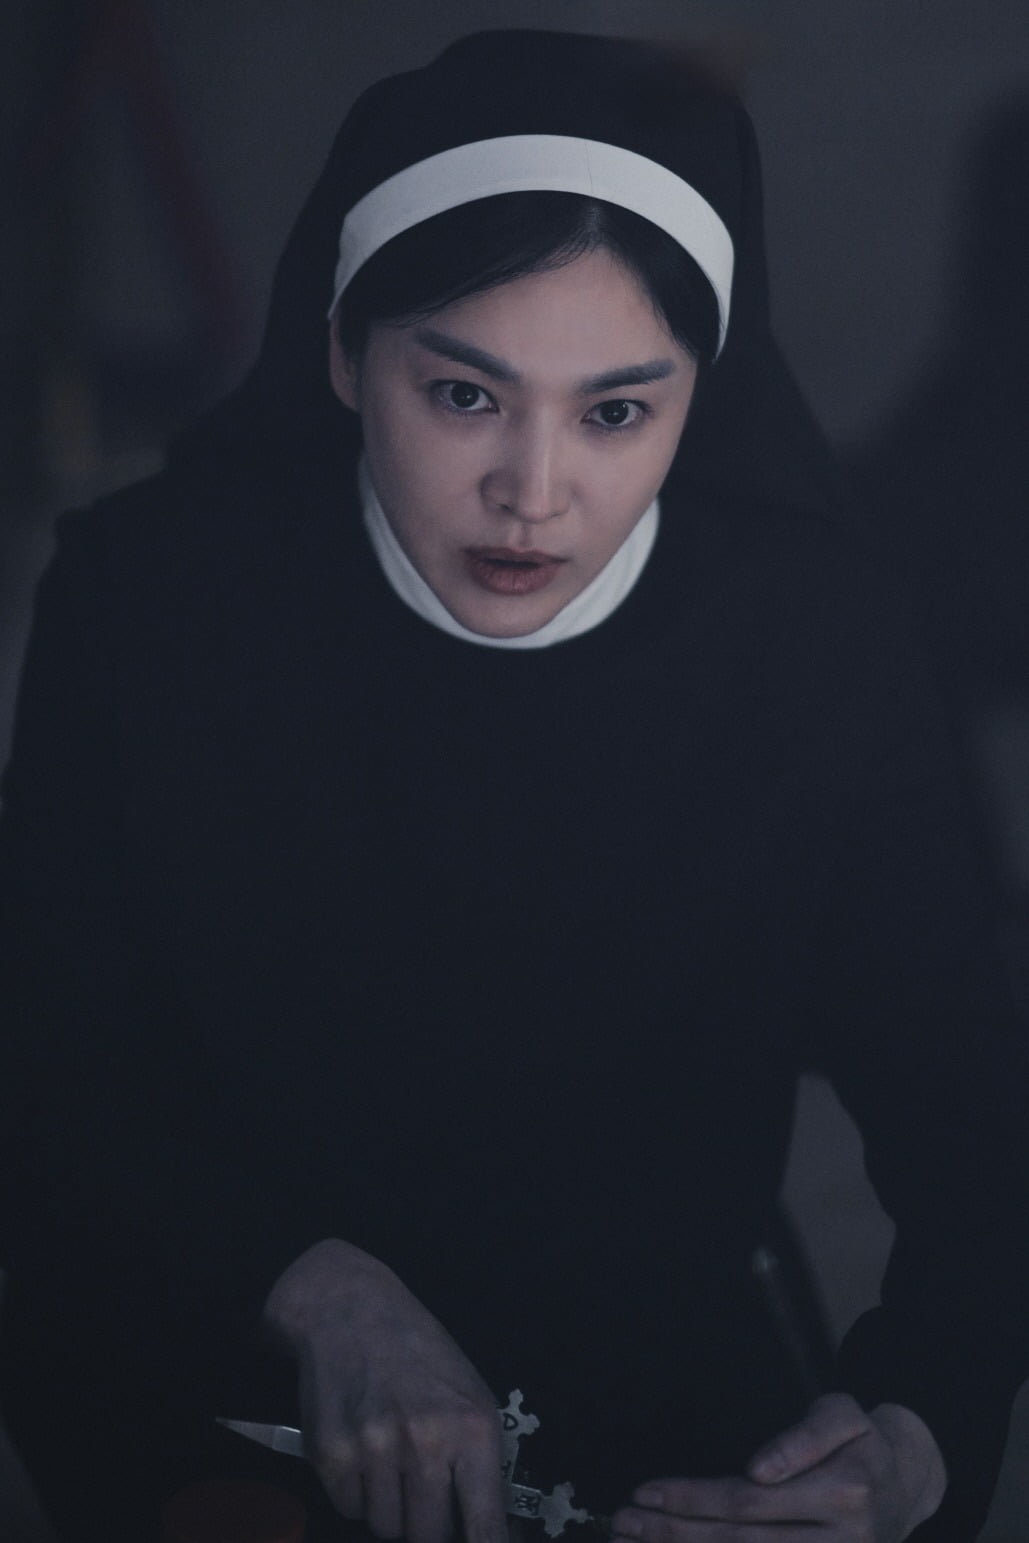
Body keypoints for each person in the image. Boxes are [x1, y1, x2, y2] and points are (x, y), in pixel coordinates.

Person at [2, 28, 1028, 1543]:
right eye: (465, 395)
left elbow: (974, 1120)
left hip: (655, 1378)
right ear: (345, 355)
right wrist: (312, 1285)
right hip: (219, 1332)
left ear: (699, 395)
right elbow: (44, 1071)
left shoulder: (825, 651)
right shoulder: (146, 605)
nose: (533, 493)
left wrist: (917, 1427)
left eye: (616, 411)